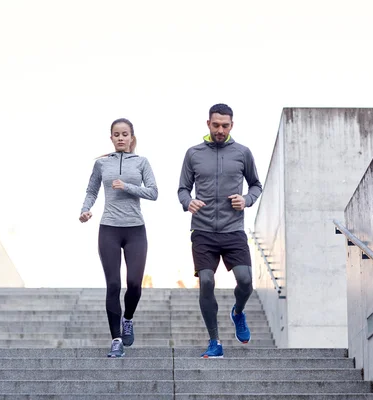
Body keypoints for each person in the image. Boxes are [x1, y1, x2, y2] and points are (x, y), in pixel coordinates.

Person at [177, 103, 262, 358]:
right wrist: (187, 202)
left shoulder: (242, 153)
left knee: (246, 281)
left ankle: (237, 312)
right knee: (206, 281)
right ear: (208, 124)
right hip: (202, 230)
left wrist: (246, 200)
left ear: (231, 125)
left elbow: (256, 185)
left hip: (233, 228)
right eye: (216, 125)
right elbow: (182, 189)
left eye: (225, 126)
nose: (220, 130)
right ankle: (214, 341)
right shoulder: (193, 153)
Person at [80, 118, 158, 358]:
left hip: (135, 230)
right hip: (109, 229)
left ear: (132, 137)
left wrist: (127, 186)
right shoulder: (102, 164)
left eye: (125, 134)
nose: (121, 138)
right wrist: (85, 209)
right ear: (111, 138)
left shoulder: (142, 162)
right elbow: (92, 190)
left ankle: (128, 319)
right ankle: (116, 339)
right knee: (113, 285)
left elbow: (154, 193)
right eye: (116, 134)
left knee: (134, 284)